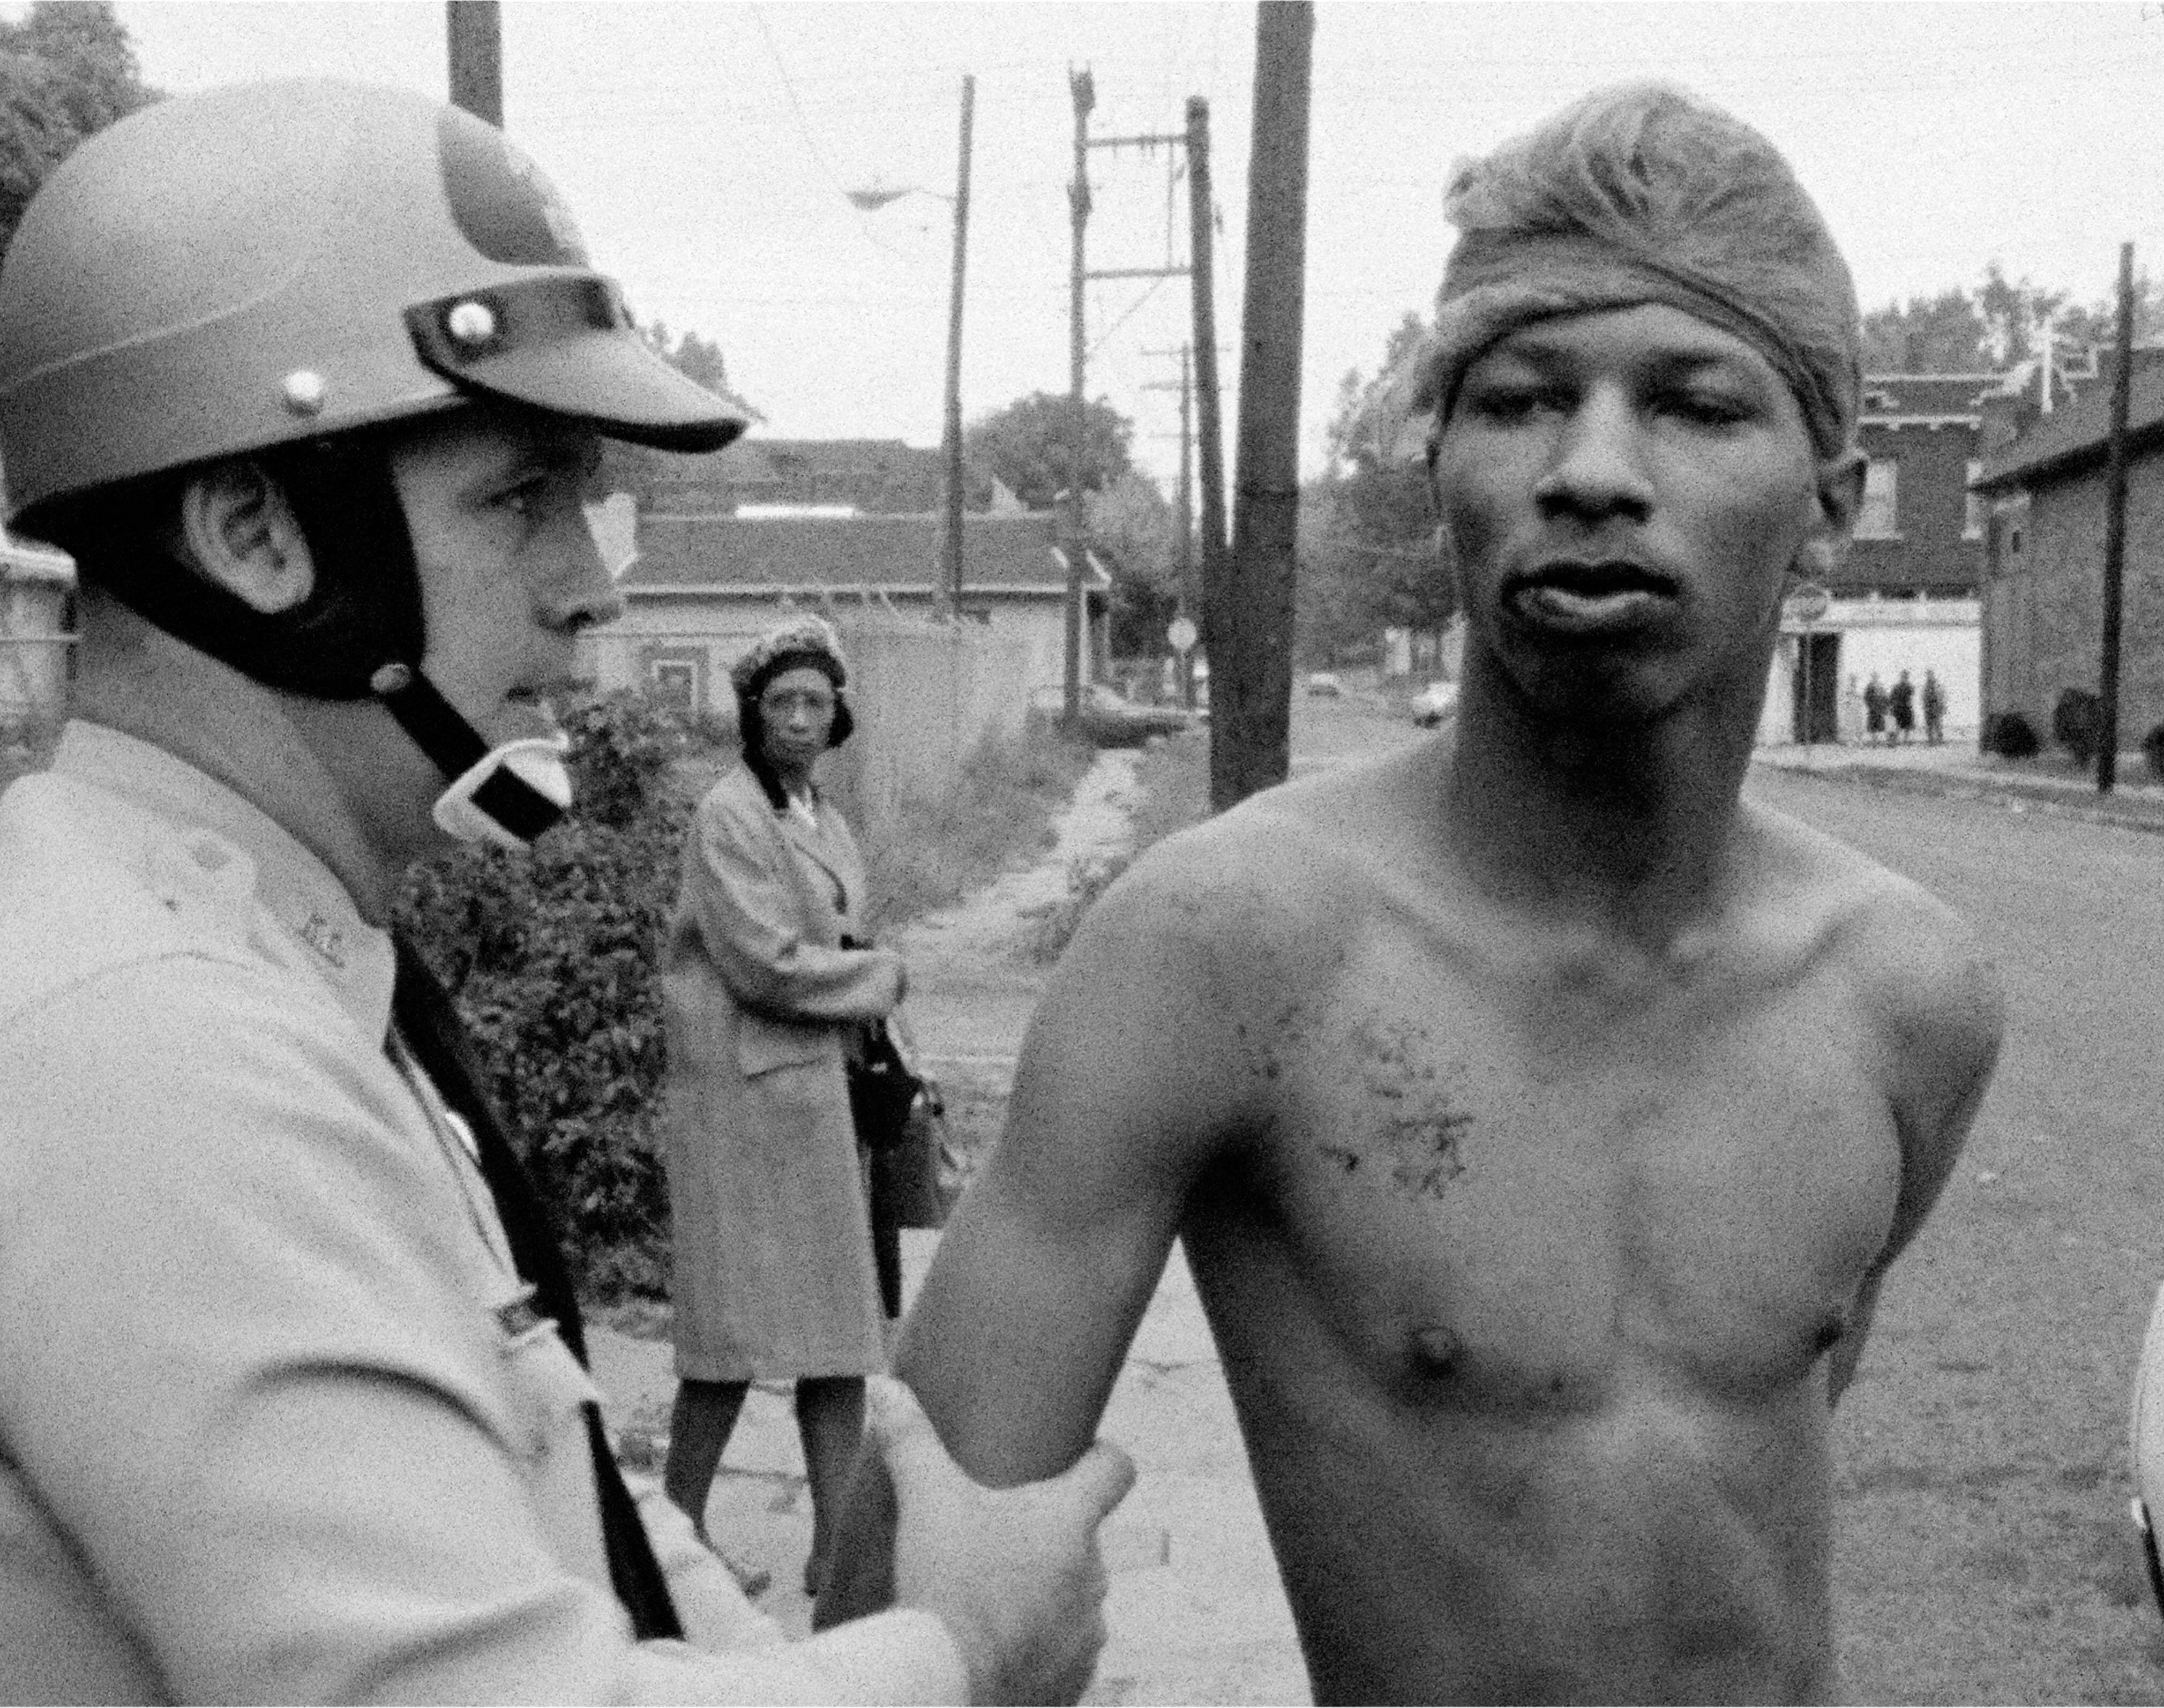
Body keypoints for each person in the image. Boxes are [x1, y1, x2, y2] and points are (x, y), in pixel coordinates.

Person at [0, 79, 1129, 1706]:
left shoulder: (249, 966)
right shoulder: (142, 1058)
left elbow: (540, 1493)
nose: (588, 587)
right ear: (253, 535)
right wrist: (968, 1654)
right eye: (518, 498)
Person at [822, 82, 2002, 1705]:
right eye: (1519, 399)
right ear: (1437, 457)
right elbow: (890, 1613)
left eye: (1695, 405)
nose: (1592, 467)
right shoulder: (1226, 954)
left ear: (1829, 504)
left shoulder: (1905, 995)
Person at [658, 613, 902, 1600]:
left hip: (815, 1098)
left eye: (815, 702)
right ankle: (672, 1540)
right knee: (729, 1339)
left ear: (837, 714)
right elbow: (763, 962)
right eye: (781, 703)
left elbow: (837, 937)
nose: (799, 719)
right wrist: (880, 977)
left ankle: (834, 1548)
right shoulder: (729, 815)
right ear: (752, 717)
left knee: (837, 1339)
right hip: (742, 1101)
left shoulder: (821, 817)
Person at [1890, 669, 1917, 745]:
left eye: (1906, 677)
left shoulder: (1910, 687)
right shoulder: (1896, 687)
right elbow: (1892, 698)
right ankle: (1895, 741)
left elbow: (1912, 697)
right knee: (1898, 726)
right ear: (1901, 677)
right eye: (1903, 677)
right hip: (1899, 709)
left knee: (1907, 726)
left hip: (1907, 708)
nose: (1904, 678)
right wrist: (1893, 707)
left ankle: (1905, 740)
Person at [1922, 670, 1948, 745]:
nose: (1929, 676)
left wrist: (1942, 706)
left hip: (1935, 707)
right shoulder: (1926, 686)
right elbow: (1923, 697)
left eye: (1930, 675)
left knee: (1937, 724)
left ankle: (1940, 739)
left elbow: (1941, 695)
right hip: (1928, 707)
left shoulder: (1937, 685)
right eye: (1928, 675)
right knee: (1929, 725)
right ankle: (1931, 740)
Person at [1864, 670, 1890, 741]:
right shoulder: (1869, 687)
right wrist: (1870, 706)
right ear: (1872, 678)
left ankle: (1878, 739)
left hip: (1880, 709)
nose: (1875, 678)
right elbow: (1866, 698)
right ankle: (1874, 739)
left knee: (1880, 725)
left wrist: (1885, 707)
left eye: (1876, 677)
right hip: (1873, 709)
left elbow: (1885, 697)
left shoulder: (1881, 686)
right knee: (1872, 725)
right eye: (1874, 677)